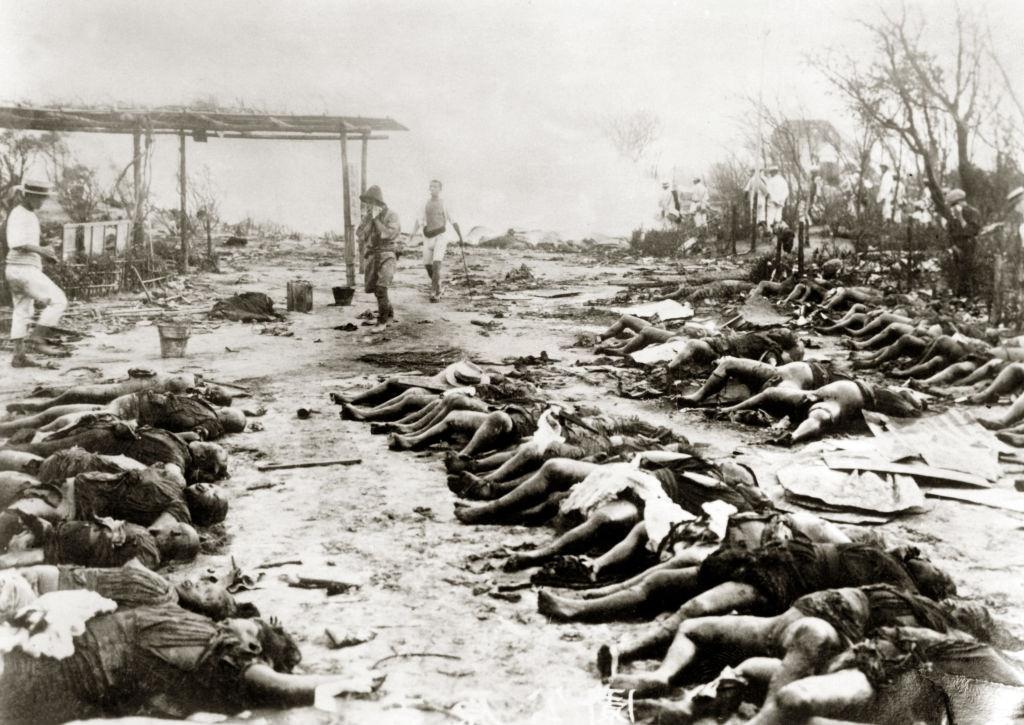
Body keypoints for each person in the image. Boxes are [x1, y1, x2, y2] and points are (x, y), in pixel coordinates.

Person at [4, 179, 68, 367]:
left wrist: (44, 253)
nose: (42, 202)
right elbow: (16, 243)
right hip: (22, 269)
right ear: (28, 195)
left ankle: (19, 356)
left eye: (44, 198)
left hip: (18, 269)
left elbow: (26, 244)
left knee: (22, 311)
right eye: (39, 198)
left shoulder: (27, 214)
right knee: (58, 300)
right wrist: (42, 251)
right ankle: (38, 339)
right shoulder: (19, 214)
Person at [357, 185, 402, 331]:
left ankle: (381, 322)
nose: (369, 205)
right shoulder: (368, 217)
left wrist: (376, 220)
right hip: (372, 255)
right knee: (376, 289)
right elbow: (361, 235)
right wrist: (369, 220)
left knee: (382, 287)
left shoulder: (392, 215)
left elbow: (389, 234)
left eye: (372, 202)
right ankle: (389, 313)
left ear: (379, 202)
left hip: (387, 254)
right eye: (367, 202)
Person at [409, 179, 462, 302]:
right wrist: (412, 234)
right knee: (427, 266)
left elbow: (453, 220)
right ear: (429, 189)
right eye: (431, 187)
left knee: (436, 264)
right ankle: (438, 287)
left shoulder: (444, 204)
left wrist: (460, 237)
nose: (433, 189)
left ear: (440, 189)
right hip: (427, 237)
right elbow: (419, 219)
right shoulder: (424, 203)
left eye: (436, 187)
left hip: (440, 236)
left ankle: (433, 293)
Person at [945, 188, 982, 297]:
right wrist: (953, 247)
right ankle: (959, 298)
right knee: (958, 275)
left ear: (961, 202)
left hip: (970, 247)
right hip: (957, 247)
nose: (952, 208)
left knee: (969, 273)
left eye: (954, 205)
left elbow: (972, 231)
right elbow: (949, 233)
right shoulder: (952, 216)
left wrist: (960, 218)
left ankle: (971, 297)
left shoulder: (973, 213)